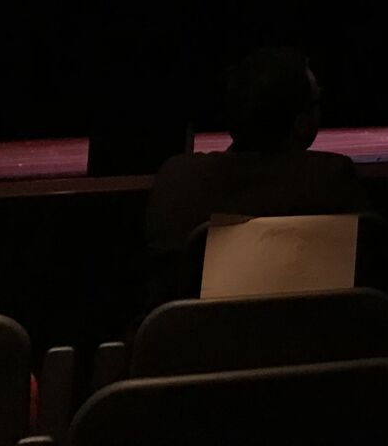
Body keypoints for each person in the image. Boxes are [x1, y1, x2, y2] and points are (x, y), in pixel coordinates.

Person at [143, 47, 367, 304]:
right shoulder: (331, 180)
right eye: (317, 101)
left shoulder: (178, 181)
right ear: (302, 122)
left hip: (198, 341)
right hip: (308, 338)